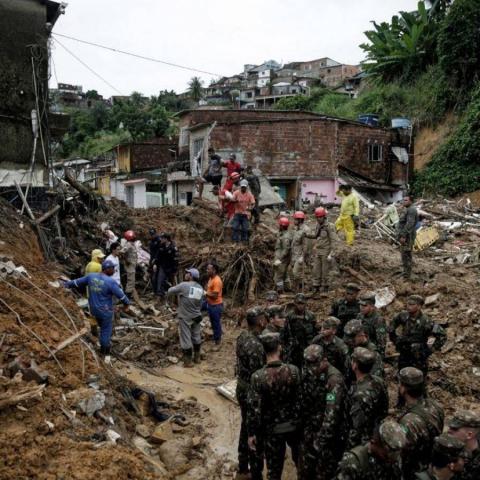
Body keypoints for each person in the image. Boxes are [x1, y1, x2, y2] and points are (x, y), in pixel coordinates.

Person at [248, 332, 301, 480]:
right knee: (301, 466)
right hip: (294, 427)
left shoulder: (257, 377)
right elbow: (300, 400)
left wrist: (252, 433)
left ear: (263, 351)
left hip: (271, 431)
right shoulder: (294, 371)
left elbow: (254, 409)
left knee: (273, 472)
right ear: (279, 348)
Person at [64, 260, 130, 362]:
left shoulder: (91, 277)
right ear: (108, 269)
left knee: (101, 327)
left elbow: (76, 283)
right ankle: (105, 353)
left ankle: (100, 342)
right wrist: (126, 304)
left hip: (94, 310)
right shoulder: (111, 282)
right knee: (105, 331)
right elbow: (122, 297)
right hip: (105, 312)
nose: (114, 270)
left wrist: (64, 284)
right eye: (113, 268)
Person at [300, 344, 347, 480]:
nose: (311, 370)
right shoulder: (309, 370)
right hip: (311, 428)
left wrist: (319, 443)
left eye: (314, 365)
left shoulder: (334, 380)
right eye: (308, 365)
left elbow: (331, 417)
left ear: (324, 360)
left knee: (323, 472)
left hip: (327, 437)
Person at [235, 307, 266, 480]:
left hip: (242, 386)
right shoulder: (255, 345)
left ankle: (242, 463)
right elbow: (258, 375)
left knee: (245, 425)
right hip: (250, 391)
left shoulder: (242, 337)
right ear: (261, 321)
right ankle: (254, 470)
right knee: (253, 429)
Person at [396, 367, 445, 479]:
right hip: (430, 466)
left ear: (403, 389)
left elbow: (402, 454)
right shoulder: (436, 406)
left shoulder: (408, 422)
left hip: (415, 472)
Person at [389, 294, 446, 375]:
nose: (408, 306)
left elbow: (442, 335)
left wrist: (430, 350)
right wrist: (395, 340)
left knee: (418, 379)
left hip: (419, 357)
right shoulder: (403, 315)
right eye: (408, 304)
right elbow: (391, 326)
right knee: (403, 377)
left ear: (419, 306)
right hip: (404, 354)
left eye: (412, 304)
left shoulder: (426, 321)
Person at [345, 347, 389, 449]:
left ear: (355, 365)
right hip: (377, 433)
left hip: (363, 442)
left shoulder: (359, 394)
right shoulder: (379, 381)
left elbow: (356, 428)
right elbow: (384, 409)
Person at [336, 419, 407, 480]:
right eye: (388, 452)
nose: (392, 457)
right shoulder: (354, 462)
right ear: (375, 443)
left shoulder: (392, 459)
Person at [166, 268, 204, 367]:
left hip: (185, 316)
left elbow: (170, 291)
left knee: (186, 338)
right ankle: (197, 357)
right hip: (197, 315)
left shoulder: (184, 285)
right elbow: (200, 304)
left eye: (188, 273)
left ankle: (188, 361)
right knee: (196, 336)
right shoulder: (200, 288)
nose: (186, 274)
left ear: (191, 276)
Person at [305, 207, 336, 293]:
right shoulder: (318, 225)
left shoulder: (329, 226)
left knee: (325, 270)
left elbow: (333, 240)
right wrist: (306, 235)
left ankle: (325, 287)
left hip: (326, 251)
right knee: (316, 269)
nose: (318, 219)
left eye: (320, 217)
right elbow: (315, 236)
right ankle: (316, 286)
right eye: (317, 217)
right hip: (318, 250)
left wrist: (331, 253)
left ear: (324, 217)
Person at [283, 293, 317, 370]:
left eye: (302, 303)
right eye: (298, 303)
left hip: (308, 346)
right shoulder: (290, 316)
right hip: (294, 349)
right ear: (295, 303)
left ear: (305, 304)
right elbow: (285, 334)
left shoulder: (311, 316)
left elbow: (315, 332)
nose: (300, 306)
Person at [448, 410, 480, 480]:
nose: (449, 431)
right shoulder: (451, 444)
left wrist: (460, 471)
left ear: (469, 435)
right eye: (450, 427)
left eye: (454, 429)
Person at [356, 292, 387, 357]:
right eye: (360, 305)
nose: (361, 307)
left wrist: (379, 358)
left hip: (371, 352)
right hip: (360, 349)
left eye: (365, 306)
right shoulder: (359, 316)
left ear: (372, 306)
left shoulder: (379, 320)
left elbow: (381, 343)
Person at [397, 195, 419, 279]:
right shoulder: (408, 209)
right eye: (403, 200)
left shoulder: (412, 210)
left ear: (410, 201)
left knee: (405, 254)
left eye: (406, 200)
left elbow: (409, 224)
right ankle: (406, 272)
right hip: (407, 235)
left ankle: (407, 275)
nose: (403, 201)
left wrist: (403, 235)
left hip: (408, 236)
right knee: (405, 254)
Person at [154, 233, 179, 301]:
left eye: (162, 238)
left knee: (169, 282)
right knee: (160, 280)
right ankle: (159, 295)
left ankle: (170, 297)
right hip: (163, 267)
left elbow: (176, 259)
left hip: (171, 268)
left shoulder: (173, 248)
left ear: (166, 239)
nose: (161, 239)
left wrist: (175, 270)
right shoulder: (161, 246)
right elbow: (157, 256)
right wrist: (155, 264)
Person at [204, 262, 224, 346]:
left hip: (216, 305)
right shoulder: (211, 279)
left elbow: (215, 295)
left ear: (214, 270)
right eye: (207, 269)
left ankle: (218, 342)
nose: (207, 270)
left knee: (216, 323)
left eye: (209, 269)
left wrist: (205, 293)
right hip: (211, 304)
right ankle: (216, 336)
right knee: (213, 322)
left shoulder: (217, 281)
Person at [290, 211, 308, 293]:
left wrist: (303, 256)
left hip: (300, 256)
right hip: (294, 255)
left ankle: (302, 286)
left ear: (299, 220)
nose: (294, 221)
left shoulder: (305, 230)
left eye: (295, 219)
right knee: (294, 273)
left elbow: (306, 245)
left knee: (295, 273)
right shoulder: (296, 229)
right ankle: (299, 288)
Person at [273, 217, 292, 293]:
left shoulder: (285, 237)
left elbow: (286, 249)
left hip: (282, 258)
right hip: (280, 257)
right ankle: (287, 288)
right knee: (284, 273)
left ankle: (280, 290)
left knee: (279, 275)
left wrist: (279, 259)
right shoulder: (282, 234)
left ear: (281, 226)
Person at [122, 230, 137, 296]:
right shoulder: (128, 244)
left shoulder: (132, 244)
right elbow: (122, 252)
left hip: (132, 265)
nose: (135, 237)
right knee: (131, 281)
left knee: (131, 281)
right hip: (130, 265)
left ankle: (129, 295)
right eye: (133, 236)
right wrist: (126, 260)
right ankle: (127, 296)